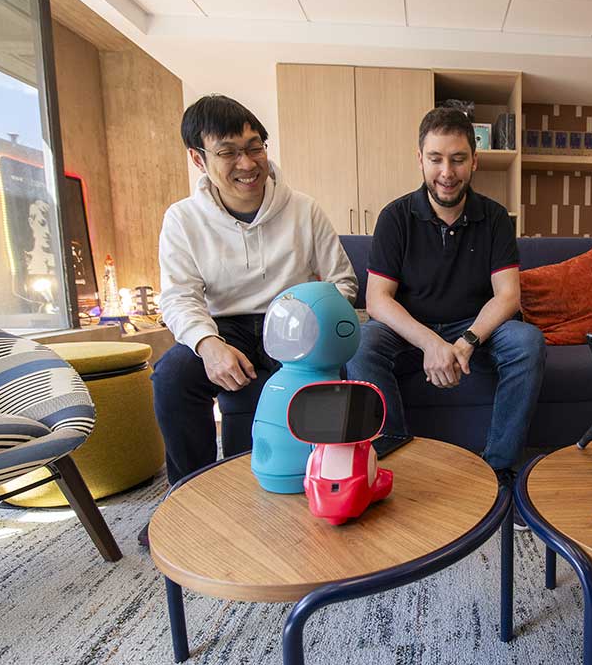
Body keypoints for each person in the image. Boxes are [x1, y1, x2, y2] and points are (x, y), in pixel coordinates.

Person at [152, 94, 357, 490]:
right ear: (198, 159)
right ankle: (188, 493)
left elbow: (343, 281)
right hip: (224, 328)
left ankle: (323, 479)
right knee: (172, 375)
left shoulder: (304, 209)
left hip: (297, 323)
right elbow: (179, 297)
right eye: (228, 153)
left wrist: (316, 320)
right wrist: (208, 345)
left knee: (344, 363)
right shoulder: (182, 219)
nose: (247, 164)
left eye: (254, 148)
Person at [347, 107, 545, 481]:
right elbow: (377, 299)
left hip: (476, 328)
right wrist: (431, 343)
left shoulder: (496, 217)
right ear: (420, 160)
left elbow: (507, 296)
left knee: (527, 341)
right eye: (436, 159)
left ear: (475, 161)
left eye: (458, 160)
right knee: (361, 343)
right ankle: (395, 456)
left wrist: (466, 341)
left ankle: (499, 468)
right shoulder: (395, 217)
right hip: (410, 329)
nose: (446, 173)